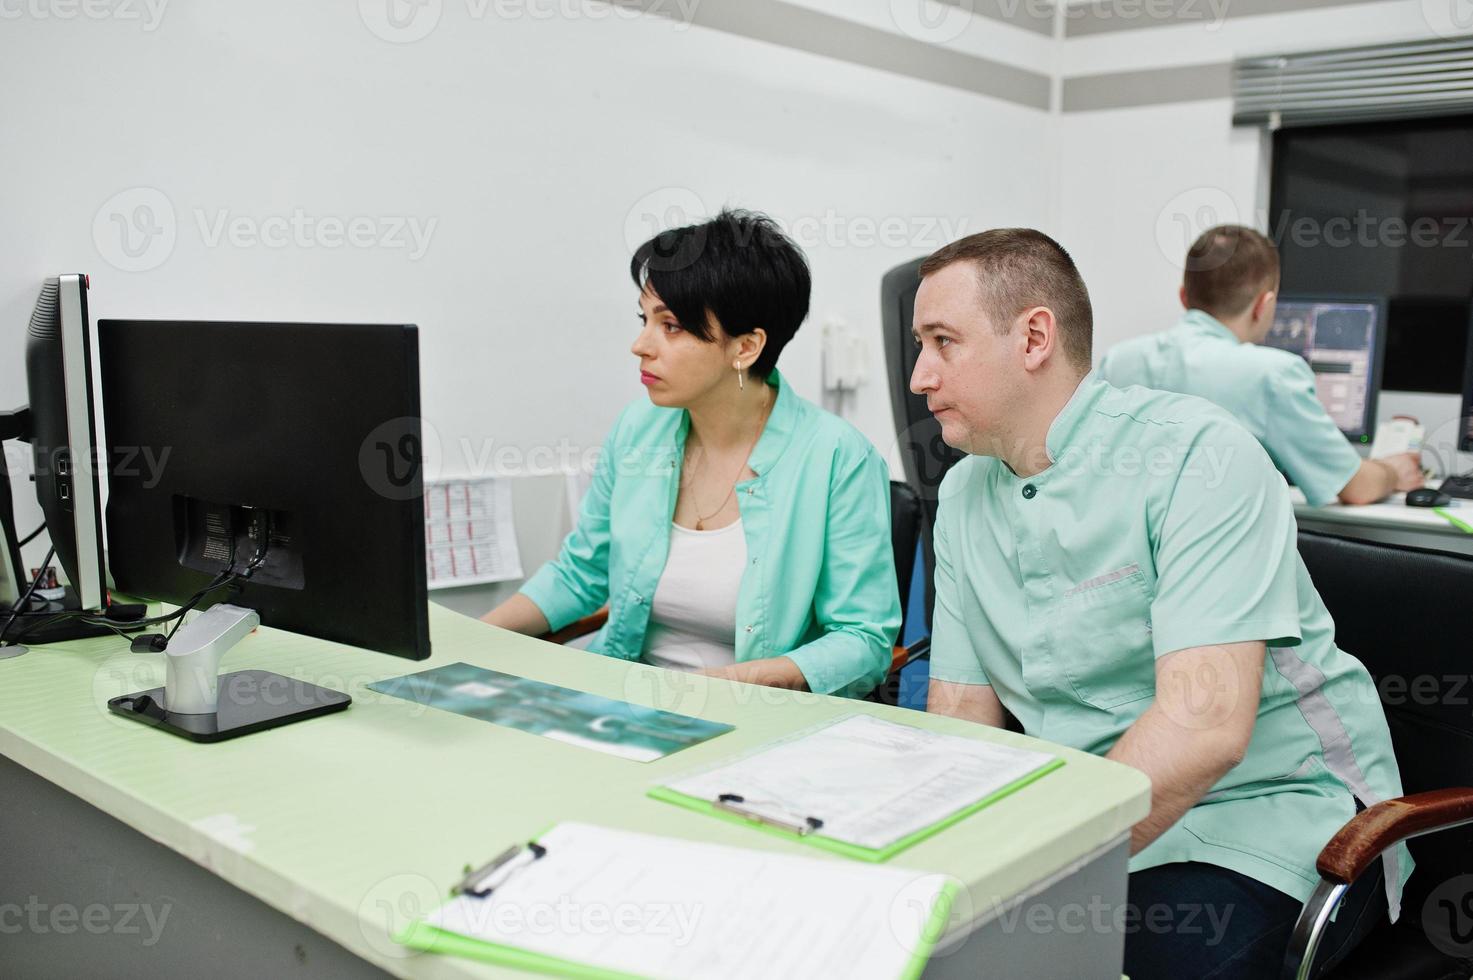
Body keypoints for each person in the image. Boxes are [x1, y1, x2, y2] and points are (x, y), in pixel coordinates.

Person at [912, 229, 1408, 978]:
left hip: (1268, 823)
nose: (919, 375)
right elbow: (958, 715)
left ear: (1034, 337)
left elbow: (1203, 729)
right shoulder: (962, 492)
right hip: (1089, 821)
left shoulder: (1196, 456)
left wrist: (1018, 872)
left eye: (942, 342)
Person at [482, 209, 899, 698]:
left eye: (672, 326)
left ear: (745, 347)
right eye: (645, 320)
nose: (640, 345)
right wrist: (469, 636)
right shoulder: (638, 430)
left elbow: (863, 641)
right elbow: (579, 575)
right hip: (625, 704)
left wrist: (703, 689)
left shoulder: (837, 459)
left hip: (757, 719)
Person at [1100, 224, 1423, 506]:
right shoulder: (1273, 374)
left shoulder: (1118, 360)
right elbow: (1355, 488)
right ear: (1264, 304)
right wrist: (1393, 471)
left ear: (1184, 296)